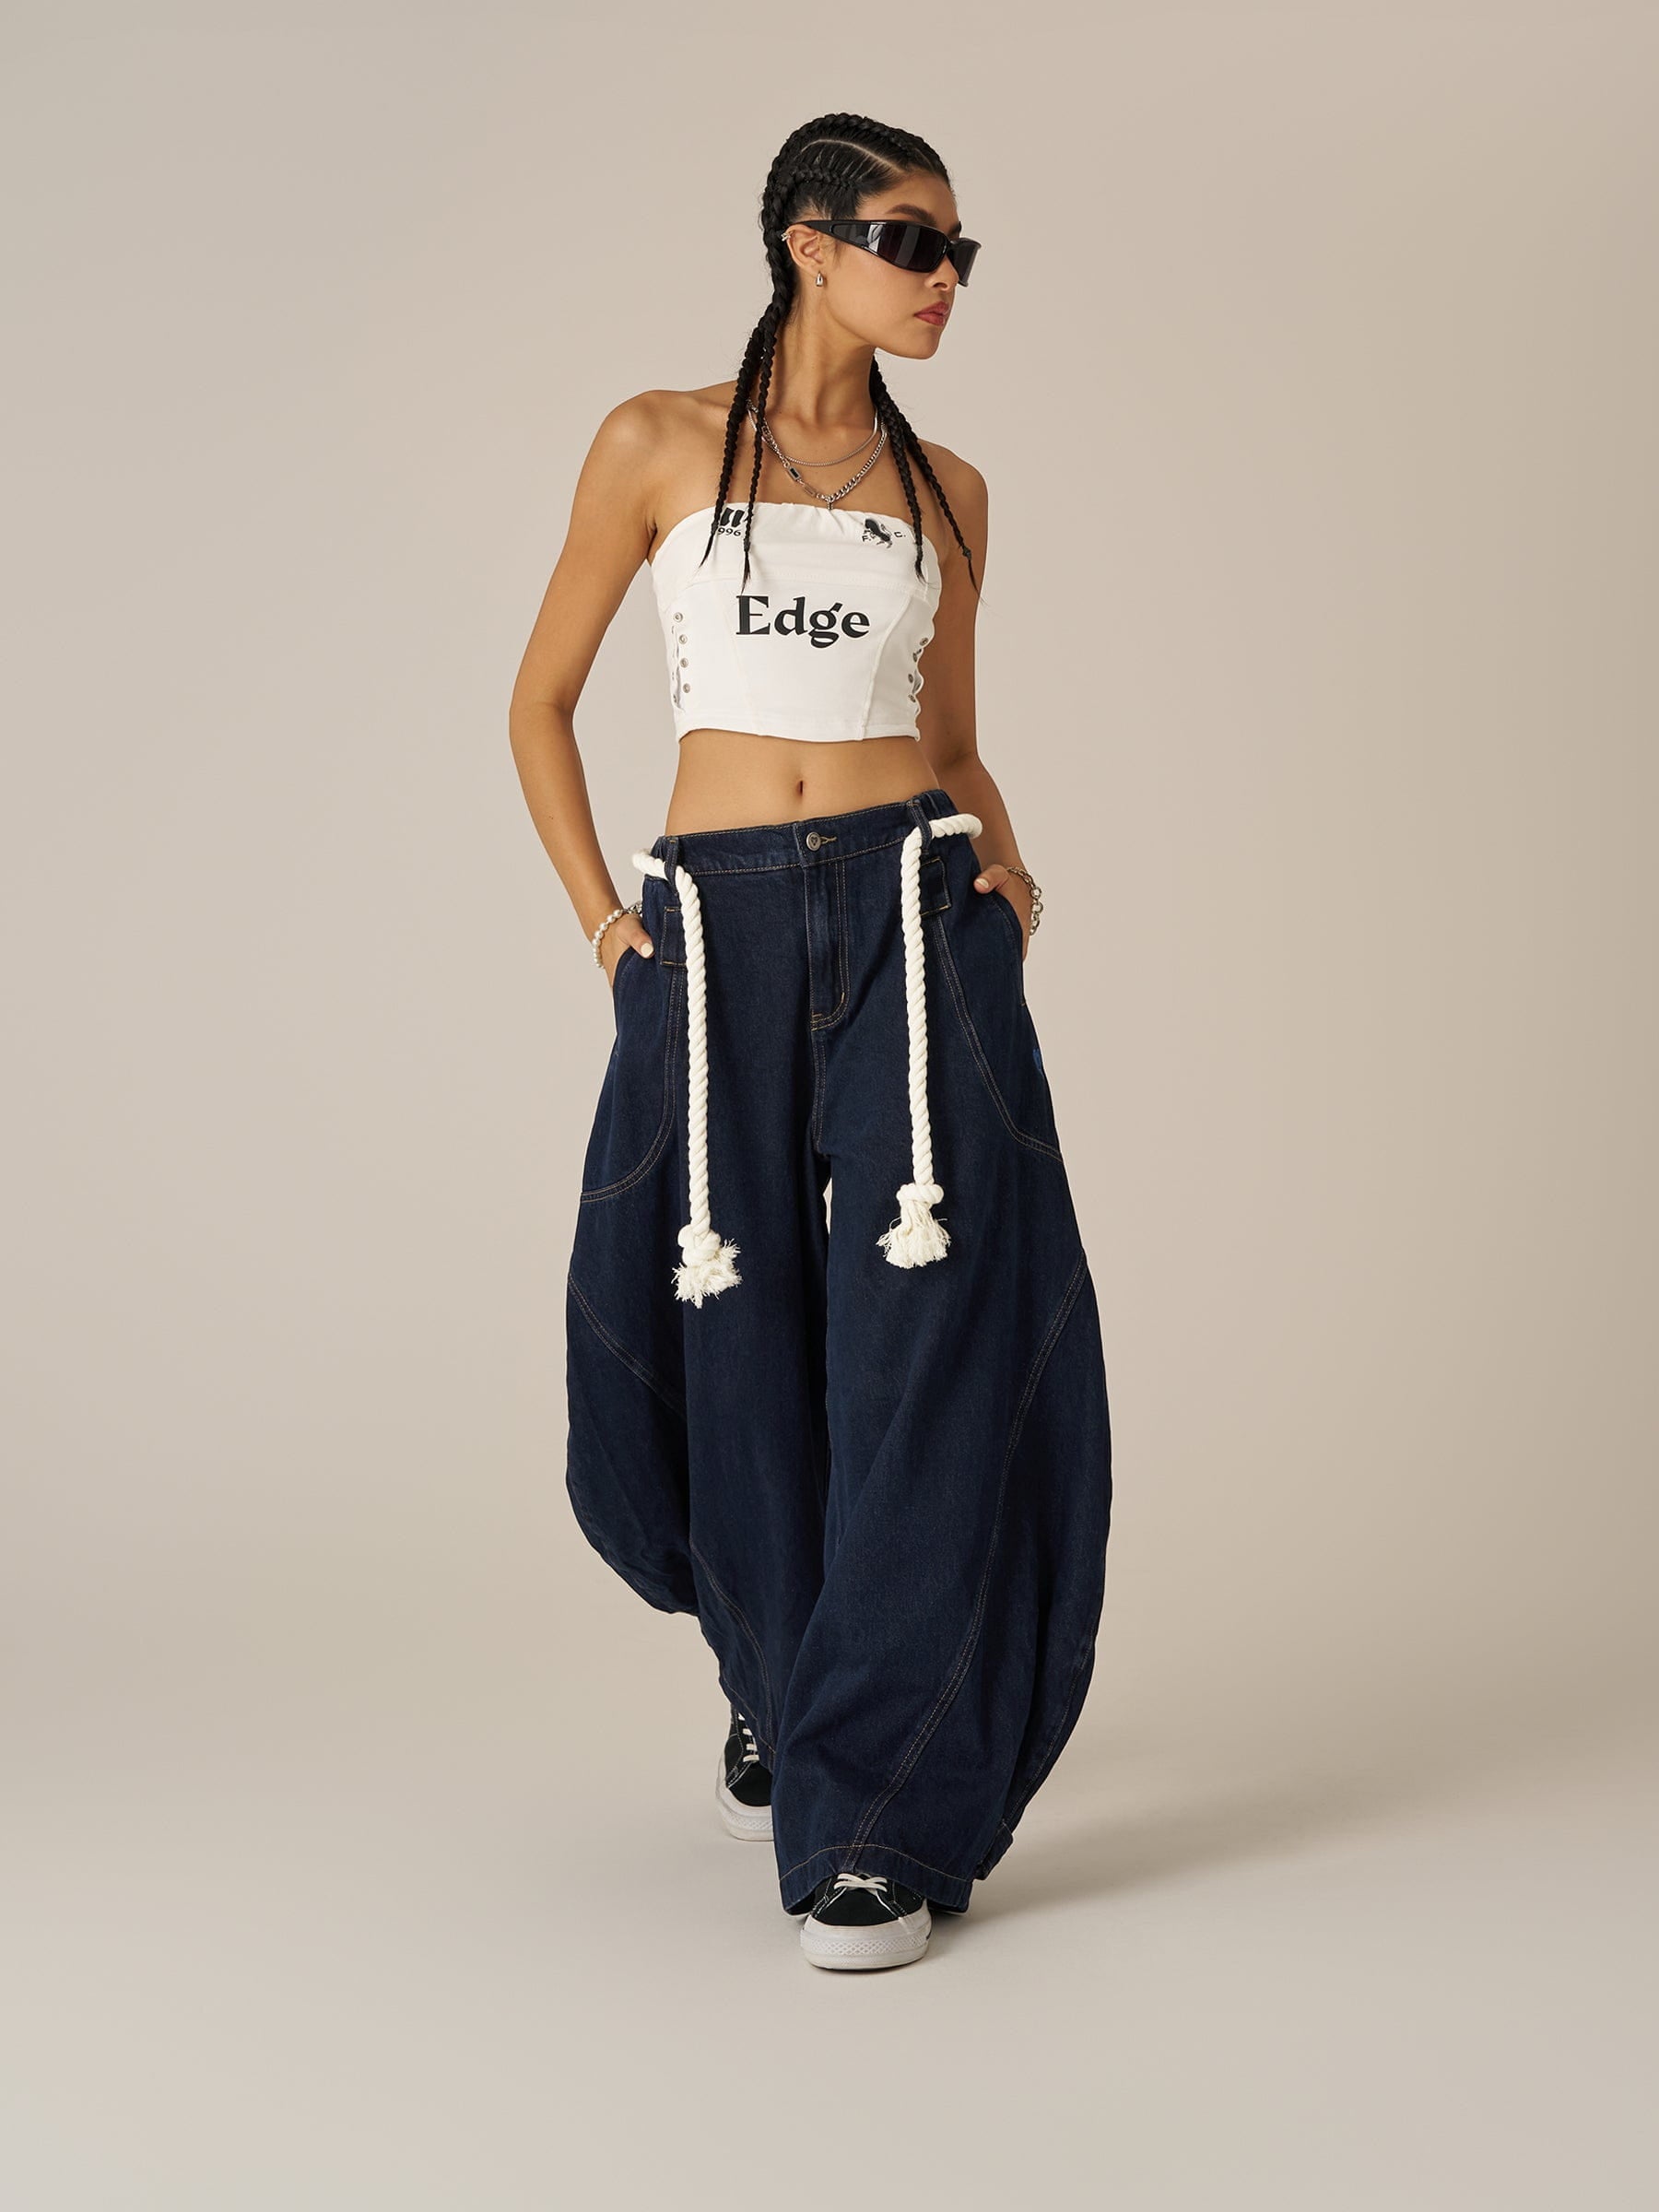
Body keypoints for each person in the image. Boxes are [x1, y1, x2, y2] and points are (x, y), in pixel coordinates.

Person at [509, 113, 1112, 1972]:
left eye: (959, 252)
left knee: (921, 1347)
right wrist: (609, 926)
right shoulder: (656, 441)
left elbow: (953, 742)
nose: (943, 279)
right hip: (715, 924)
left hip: (916, 915)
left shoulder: (952, 491)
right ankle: (780, 1676)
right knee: (716, 1331)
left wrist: (1009, 884)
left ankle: (870, 1819)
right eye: (911, 241)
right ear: (809, 242)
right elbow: (537, 704)